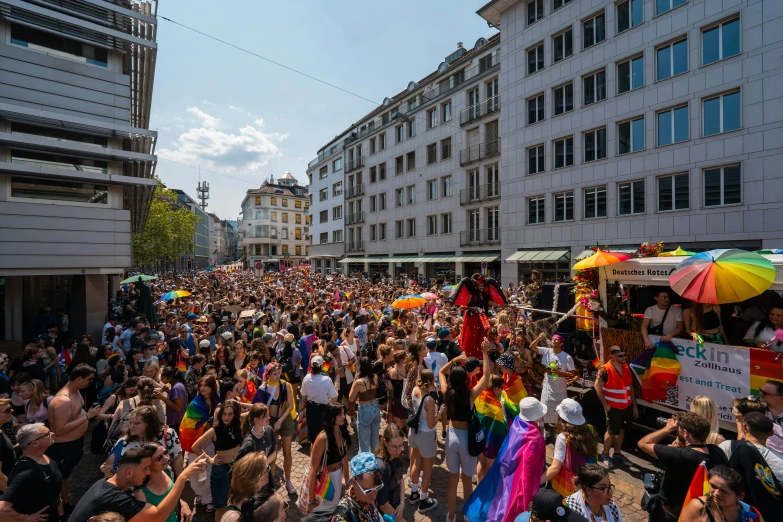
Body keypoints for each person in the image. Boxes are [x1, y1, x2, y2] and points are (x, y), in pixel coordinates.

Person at [68, 446, 207, 522]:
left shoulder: (104, 483)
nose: (148, 472)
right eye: (145, 468)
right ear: (128, 472)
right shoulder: (117, 499)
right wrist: (182, 477)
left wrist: (181, 503)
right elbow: (158, 516)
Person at [637, 412, 729, 521]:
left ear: (686, 433)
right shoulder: (716, 451)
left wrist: (667, 429)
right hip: (701, 511)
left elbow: (643, 443)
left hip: (670, 513)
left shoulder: (679, 455)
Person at [439, 341, 492, 522]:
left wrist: (454, 360)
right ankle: (468, 516)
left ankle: (451, 515)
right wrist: (484, 352)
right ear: (465, 380)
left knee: (453, 480)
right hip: (466, 438)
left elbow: (440, 372)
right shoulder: (470, 395)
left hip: (452, 436)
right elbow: (486, 375)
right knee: (467, 480)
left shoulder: (447, 392)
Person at [47, 363, 100, 509]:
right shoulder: (63, 400)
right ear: (79, 378)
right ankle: (60, 511)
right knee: (59, 480)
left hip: (73, 444)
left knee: (65, 478)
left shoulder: (76, 392)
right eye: (89, 379)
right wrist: (87, 417)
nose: (90, 382)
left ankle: (65, 504)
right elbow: (59, 430)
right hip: (63, 447)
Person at [719, 412, 783, 519]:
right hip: (763, 515)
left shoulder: (728, 446)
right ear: (771, 433)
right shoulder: (779, 460)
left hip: (730, 510)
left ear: (745, 427)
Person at [191, 399, 243, 520]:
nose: (226, 417)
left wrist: (236, 402)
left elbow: (256, 407)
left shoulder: (237, 424)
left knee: (237, 501)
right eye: (224, 414)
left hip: (237, 468)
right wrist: (209, 460)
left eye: (230, 414)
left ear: (235, 414)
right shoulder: (215, 430)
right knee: (220, 506)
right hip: (222, 471)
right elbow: (195, 447)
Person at [0, 423, 61, 522]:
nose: (53, 433)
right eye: (48, 434)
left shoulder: (43, 457)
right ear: (34, 443)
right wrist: (26, 518)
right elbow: (1, 510)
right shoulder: (25, 473)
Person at [251, 362, 296, 495]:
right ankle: (271, 484)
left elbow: (290, 405)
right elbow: (256, 406)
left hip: (285, 420)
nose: (277, 376)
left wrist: (280, 421)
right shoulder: (263, 388)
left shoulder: (285, 385)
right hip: (270, 422)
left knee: (287, 451)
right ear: (268, 375)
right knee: (272, 455)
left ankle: (288, 480)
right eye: (274, 374)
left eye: (278, 373)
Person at [103, 405, 183, 477]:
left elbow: (177, 459)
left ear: (149, 424)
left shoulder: (167, 434)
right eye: (131, 423)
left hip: (166, 485)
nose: (131, 427)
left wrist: (180, 482)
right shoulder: (123, 442)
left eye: (137, 423)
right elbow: (112, 468)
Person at [541, 399, 599, 497]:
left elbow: (555, 468)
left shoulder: (563, 437)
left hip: (567, 484)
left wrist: (536, 483)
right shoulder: (590, 429)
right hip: (585, 480)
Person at [594, 346, 637, 467]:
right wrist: (606, 406)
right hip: (613, 407)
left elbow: (630, 387)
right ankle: (605, 454)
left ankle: (617, 454)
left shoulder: (626, 367)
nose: (624, 358)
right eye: (620, 356)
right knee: (611, 432)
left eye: (624, 355)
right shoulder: (605, 369)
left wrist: (634, 406)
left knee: (621, 431)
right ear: (612, 357)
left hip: (626, 406)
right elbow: (597, 387)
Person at [304, 403, 351, 512]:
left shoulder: (342, 433)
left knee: (333, 509)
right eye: (340, 415)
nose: (343, 417)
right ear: (332, 417)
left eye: (344, 414)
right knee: (324, 512)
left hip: (337, 477)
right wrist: (311, 501)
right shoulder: (322, 438)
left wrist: (347, 482)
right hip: (325, 480)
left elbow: (344, 459)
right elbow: (313, 469)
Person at [678, 465, 766, 522]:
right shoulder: (698, 506)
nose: (716, 493)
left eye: (724, 491)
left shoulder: (752, 513)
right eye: (713, 486)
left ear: (739, 496)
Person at [131, 442, 193, 522]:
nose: (166, 458)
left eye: (165, 453)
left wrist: (183, 504)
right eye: (159, 458)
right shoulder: (140, 494)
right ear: (148, 463)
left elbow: (172, 495)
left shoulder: (167, 470)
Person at [451, 274, 508, 359]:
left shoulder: (484, 295)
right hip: (471, 319)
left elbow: (496, 305)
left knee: (481, 339)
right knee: (471, 340)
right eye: (479, 285)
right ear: (476, 285)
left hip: (482, 320)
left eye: (482, 285)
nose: (481, 287)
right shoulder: (471, 295)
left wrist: (505, 304)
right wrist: (473, 308)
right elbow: (462, 307)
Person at [530, 333, 577, 435]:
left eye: (556, 340)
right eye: (553, 339)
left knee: (560, 411)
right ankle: (545, 431)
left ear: (561, 344)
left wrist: (558, 373)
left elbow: (572, 374)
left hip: (560, 389)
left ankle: (559, 431)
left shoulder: (567, 357)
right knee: (545, 409)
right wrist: (538, 337)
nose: (553, 340)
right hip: (548, 387)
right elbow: (532, 347)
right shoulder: (547, 351)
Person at [408, 369, 439, 513]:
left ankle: (414, 493)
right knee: (427, 470)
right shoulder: (430, 400)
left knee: (416, 463)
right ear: (432, 381)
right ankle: (423, 500)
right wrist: (441, 413)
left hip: (414, 432)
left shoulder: (415, 389)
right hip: (426, 435)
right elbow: (432, 424)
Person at [329, 452, 384, 522]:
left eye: (377, 488)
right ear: (354, 482)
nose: (374, 496)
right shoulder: (342, 517)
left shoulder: (368, 499)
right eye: (368, 491)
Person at [220, 452, 272, 522]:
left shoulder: (252, 499)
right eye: (267, 468)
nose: (268, 472)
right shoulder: (234, 518)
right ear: (255, 479)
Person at [374, 424, 409, 521]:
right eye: (394, 446)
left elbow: (400, 479)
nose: (398, 450)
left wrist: (402, 503)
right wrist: (400, 520)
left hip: (395, 509)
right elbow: (383, 505)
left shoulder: (395, 456)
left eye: (400, 446)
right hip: (385, 515)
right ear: (385, 442)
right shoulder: (381, 468)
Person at [301, 356, 338, 445]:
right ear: (322, 366)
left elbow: (303, 394)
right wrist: (335, 387)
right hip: (323, 409)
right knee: (325, 433)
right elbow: (334, 398)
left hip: (311, 409)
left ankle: (314, 453)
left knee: (313, 435)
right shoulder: (327, 380)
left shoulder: (307, 378)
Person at [348, 356, 381, 453]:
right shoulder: (375, 377)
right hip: (375, 407)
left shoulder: (359, 382)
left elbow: (351, 398)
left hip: (365, 409)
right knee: (375, 438)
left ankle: (365, 461)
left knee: (364, 440)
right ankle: (375, 458)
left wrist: (355, 380)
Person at [235, 403, 276, 469]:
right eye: (265, 416)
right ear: (256, 420)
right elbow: (239, 465)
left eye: (268, 414)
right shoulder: (249, 443)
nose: (269, 417)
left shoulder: (269, 430)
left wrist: (264, 464)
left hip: (265, 474)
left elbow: (274, 452)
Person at [157, 368, 187, 433]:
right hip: (177, 419)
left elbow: (178, 407)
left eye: (163, 378)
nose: (161, 380)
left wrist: (162, 398)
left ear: (170, 377)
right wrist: (168, 391)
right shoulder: (176, 385)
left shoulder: (177, 387)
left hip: (177, 421)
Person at [759, 379, 783, 453]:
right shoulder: (756, 405)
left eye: (764, 393)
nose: (760, 393)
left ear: (780, 397)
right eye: (760, 390)